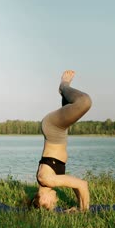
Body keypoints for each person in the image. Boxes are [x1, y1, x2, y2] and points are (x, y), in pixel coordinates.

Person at [31, 70, 92, 211]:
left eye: (53, 204)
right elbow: (75, 185)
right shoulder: (46, 182)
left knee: (85, 102)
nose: (56, 201)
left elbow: (82, 184)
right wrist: (79, 206)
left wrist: (84, 213)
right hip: (58, 133)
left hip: (53, 129)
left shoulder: (46, 179)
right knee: (69, 107)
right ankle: (65, 93)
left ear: (43, 200)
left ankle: (63, 86)